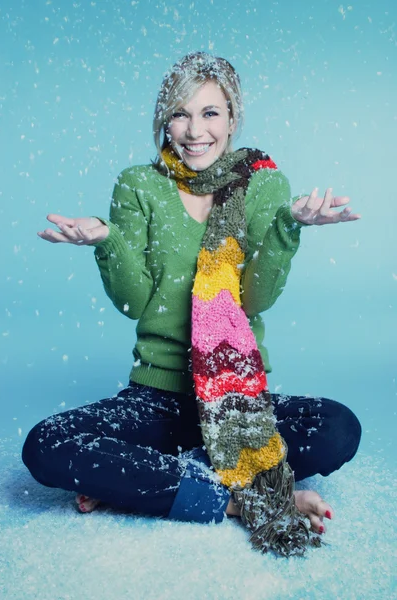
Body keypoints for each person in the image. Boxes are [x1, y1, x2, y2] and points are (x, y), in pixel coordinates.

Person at [22, 52, 361, 547]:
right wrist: (106, 244)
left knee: (337, 428)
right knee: (46, 444)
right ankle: (239, 496)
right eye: (180, 113)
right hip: (156, 399)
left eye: (210, 113)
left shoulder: (263, 185)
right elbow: (136, 304)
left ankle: (145, 483)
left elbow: (255, 298)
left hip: (235, 401)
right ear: (164, 120)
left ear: (232, 118)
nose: (194, 130)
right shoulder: (140, 184)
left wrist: (289, 228)